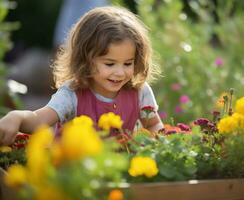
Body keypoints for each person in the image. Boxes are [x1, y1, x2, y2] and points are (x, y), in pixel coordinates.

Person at [0, 6, 164, 145]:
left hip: (117, 173)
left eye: (128, 63)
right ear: (85, 60)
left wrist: (160, 145)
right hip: (74, 172)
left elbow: (153, 124)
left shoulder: (139, 91)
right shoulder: (72, 94)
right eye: (109, 64)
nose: (120, 72)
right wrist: (17, 117)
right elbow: (38, 120)